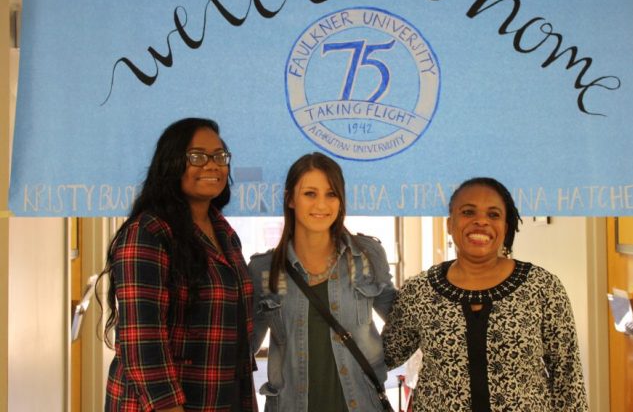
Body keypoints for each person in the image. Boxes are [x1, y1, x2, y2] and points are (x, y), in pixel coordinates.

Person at [383, 177, 588, 411]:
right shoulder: (419, 291)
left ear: (505, 227)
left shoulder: (542, 287)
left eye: (493, 215)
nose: (481, 221)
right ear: (449, 224)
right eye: (468, 212)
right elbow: (385, 357)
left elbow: (568, 377)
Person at [97, 118, 257, 412]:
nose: (212, 165)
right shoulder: (148, 232)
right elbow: (143, 342)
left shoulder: (224, 232)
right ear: (171, 164)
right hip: (160, 405)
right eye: (197, 156)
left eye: (220, 156)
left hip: (219, 398)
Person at [248, 152, 397, 411]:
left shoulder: (367, 255)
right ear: (290, 199)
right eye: (310, 194)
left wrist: (379, 361)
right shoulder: (264, 270)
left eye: (331, 194)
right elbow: (243, 347)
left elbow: (405, 320)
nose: (321, 205)